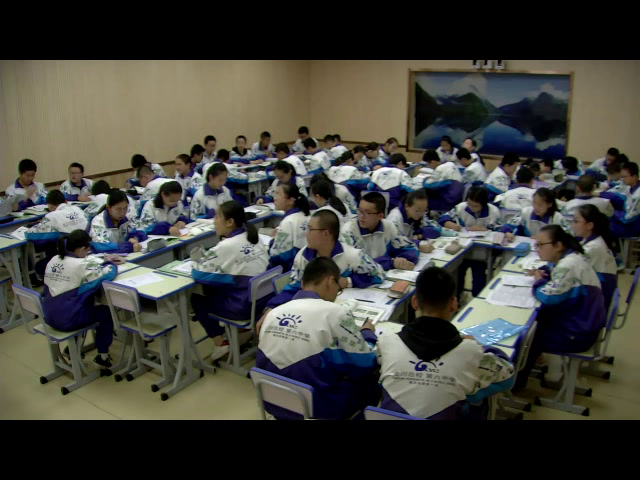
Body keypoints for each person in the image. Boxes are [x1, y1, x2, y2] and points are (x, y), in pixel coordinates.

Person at [376, 266, 515, 419]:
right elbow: (507, 376)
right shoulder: (470, 352)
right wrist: (482, 347)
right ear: (454, 304)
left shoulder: (387, 342)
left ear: (414, 302)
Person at [256, 257, 380, 420]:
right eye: (338, 289)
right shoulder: (335, 312)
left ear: (302, 284)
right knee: (371, 381)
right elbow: (365, 362)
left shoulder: (273, 313)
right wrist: (368, 334)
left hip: (272, 401)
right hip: (316, 407)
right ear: (330, 281)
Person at [514, 225, 606, 391]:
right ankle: (523, 370)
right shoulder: (569, 258)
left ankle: (515, 384)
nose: (537, 249)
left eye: (541, 245)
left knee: (526, 336)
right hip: (580, 322)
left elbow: (548, 296)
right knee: (535, 323)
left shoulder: (567, 265)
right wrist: (545, 275)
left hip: (578, 333)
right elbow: (556, 279)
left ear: (558, 245)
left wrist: (538, 281)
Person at [260, 209, 385, 318]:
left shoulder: (352, 255)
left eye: (310, 229)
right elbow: (295, 287)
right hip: (314, 313)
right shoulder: (303, 257)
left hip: (345, 311)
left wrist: (348, 281)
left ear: (326, 233)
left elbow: (379, 274)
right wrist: (272, 307)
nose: (306, 234)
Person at [191, 201, 269, 361]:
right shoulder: (253, 237)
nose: (214, 221)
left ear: (230, 222)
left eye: (217, 217)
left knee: (197, 298)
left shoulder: (226, 246)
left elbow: (199, 273)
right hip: (263, 300)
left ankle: (220, 342)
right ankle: (240, 333)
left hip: (244, 306)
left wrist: (196, 260)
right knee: (222, 285)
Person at [43, 229, 118, 368]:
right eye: (88, 250)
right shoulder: (80, 265)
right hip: (68, 320)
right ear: (83, 248)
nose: (88, 253)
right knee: (105, 312)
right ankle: (103, 355)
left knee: (83, 303)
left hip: (48, 316)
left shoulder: (54, 259)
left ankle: (73, 348)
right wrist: (110, 263)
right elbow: (107, 274)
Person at [439, 187, 501, 298]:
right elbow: (443, 219)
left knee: (479, 282)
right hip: (461, 251)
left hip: (481, 255)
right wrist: (452, 225)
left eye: (475, 206)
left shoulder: (493, 212)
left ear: (484, 204)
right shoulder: (461, 207)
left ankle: (477, 299)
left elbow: (502, 230)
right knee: (457, 278)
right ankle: (457, 299)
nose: (472, 208)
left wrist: (486, 229)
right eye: (470, 204)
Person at [341, 192, 419, 271]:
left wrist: (402, 261)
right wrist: (390, 263)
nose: (361, 216)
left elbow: (411, 248)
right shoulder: (348, 231)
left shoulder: (389, 226)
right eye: (360, 211)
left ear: (380, 216)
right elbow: (355, 265)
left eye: (367, 213)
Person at [25, 190, 90, 278]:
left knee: (40, 266)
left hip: (69, 256)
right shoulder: (77, 209)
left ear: (50, 206)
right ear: (65, 201)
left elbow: (33, 235)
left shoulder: (52, 216)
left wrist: (38, 225)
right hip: (86, 251)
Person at [571, 205, 618, 310]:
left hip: (596, 304)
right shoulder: (593, 239)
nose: (573, 225)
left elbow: (569, 270)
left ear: (589, 225)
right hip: (598, 294)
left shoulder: (593, 248)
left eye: (576, 221)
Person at [268, 183, 310, 272]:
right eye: (275, 194)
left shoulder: (288, 221)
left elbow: (276, 254)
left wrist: (273, 240)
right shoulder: (306, 215)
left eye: (279, 195)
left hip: (292, 269)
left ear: (290, 200)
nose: (275, 198)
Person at [502, 188, 569, 239]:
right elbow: (508, 225)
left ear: (549, 204)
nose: (536, 207)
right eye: (534, 203)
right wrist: (508, 232)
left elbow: (568, 238)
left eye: (540, 205)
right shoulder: (526, 212)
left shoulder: (557, 218)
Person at [599, 161, 640, 238]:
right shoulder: (629, 187)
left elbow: (628, 218)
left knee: (602, 226)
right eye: (621, 177)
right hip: (627, 221)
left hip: (633, 227)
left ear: (634, 176)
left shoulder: (638, 195)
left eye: (624, 177)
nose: (622, 180)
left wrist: (613, 212)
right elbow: (622, 198)